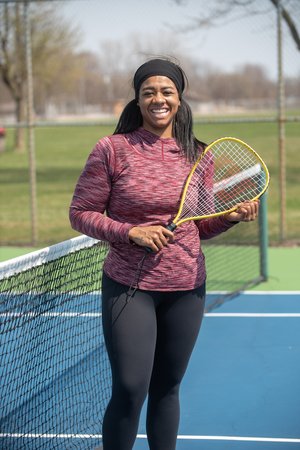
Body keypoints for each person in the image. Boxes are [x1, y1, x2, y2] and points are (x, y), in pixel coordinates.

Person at [69, 58, 259, 450]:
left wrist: (230, 218)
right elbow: (80, 214)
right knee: (130, 387)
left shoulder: (199, 154)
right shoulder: (112, 149)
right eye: (149, 91)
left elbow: (200, 224)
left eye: (166, 91)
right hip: (129, 287)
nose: (158, 98)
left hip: (187, 286)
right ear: (138, 100)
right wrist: (130, 232)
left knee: (168, 389)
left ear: (179, 98)